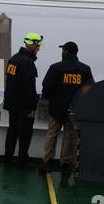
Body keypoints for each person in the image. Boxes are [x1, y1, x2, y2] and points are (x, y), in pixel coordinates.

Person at [39, 41, 94, 174]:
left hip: (56, 108)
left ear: (67, 51)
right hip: (74, 109)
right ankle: (65, 163)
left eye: (63, 50)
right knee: (68, 136)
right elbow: (90, 88)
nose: (62, 52)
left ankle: (47, 162)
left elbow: (46, 86)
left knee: (51, 134)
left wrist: (50, 98)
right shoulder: (85, 69)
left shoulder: (55, 68)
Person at [3, 32, 43, 167]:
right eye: (38, 46)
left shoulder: (13, 59)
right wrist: (31, 107)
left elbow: (10, 81)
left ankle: (8, 159)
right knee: (25, 134)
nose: (39, 49)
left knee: (12, 131)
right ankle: (22, 162)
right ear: (32, 45)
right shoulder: (28, 63)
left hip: (11, 103)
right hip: (23, 105)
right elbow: (29, 87)